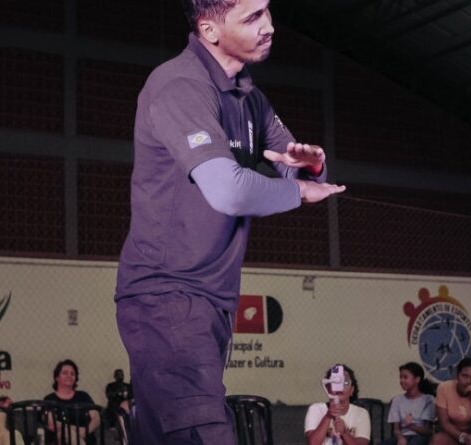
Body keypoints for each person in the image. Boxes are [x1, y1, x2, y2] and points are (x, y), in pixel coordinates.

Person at [113, 0, 345, 443]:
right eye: (253, 17)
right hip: (167, 298)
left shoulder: (249, 98)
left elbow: (294, 168)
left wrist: (311, 168)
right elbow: (229, 191)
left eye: (268, 11)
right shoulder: (180, 86)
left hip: (211, 299)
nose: (269, 26)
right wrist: (300, 191)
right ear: (210, 30)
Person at [304, 364, 370, 445]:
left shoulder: (361, 413)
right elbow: (313, 443)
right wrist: (328, 416)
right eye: (334, 381)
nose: (340, 387)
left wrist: (345, 433)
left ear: (352, 390)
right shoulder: (316, 409)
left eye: (346, 382)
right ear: (327, 387)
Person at [430, 358, 471, 445]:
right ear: (457, 375)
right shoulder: (444, 388)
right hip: (451, 434)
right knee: (438, 440)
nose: (468, 381)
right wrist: (463, 437)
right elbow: (444, 422)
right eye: (464, 376)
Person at [44, 359, 101, 445]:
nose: (69, 376)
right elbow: (52, 424)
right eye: (65, 373)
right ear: (57, 377)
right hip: (60, 441)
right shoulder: (49, 399)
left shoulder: (84, 396)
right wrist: (76, 431)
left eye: (72, 374)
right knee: (65, 433)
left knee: (67, 433)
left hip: (87, 440)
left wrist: (84, 431)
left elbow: (96, 418)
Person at [381, 362, 435, 445]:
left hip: (420, 437)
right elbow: (396, 429)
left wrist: (411, 426)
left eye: (405, 377)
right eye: (400, 377)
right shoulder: (397, 400)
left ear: (417, 379)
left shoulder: (428, 399)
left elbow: (428, 431)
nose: (402, 381)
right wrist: (400, 438)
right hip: (403, 436)